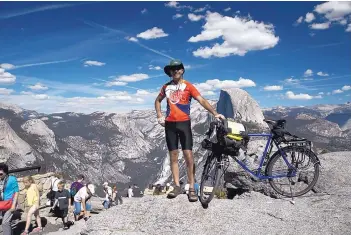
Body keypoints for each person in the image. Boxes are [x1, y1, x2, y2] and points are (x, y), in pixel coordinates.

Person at [154, 59, 225, 202]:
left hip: (184, 124)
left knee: (189, 156)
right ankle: (176, 186)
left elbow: (202, 100)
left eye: (177, 69)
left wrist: (215, 113)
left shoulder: (189, 86)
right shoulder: (165, 87)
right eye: (172, 69)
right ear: (169, 72)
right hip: (170, 125)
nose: (174, 71)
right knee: (173, 156)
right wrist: (160, 116)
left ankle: (191, 188)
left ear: (182, 70)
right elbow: (157, 101)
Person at [0, 163, 19, 235]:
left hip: (10, 203)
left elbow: (16, 192)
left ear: (6, 172)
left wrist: (14, 205)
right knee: (7, 222)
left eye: (1, 174)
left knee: (5, 222)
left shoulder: (12, 179)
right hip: (3, 204)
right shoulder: (0, 180)